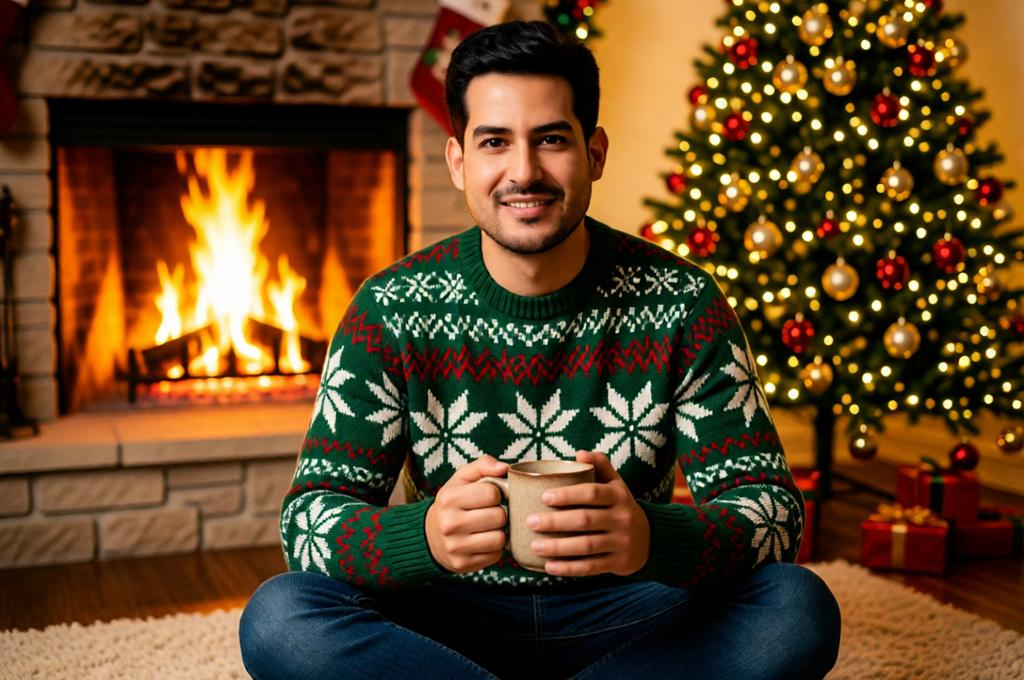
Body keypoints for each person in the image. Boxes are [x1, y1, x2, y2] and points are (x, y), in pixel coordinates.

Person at [240, 19, 841, 680]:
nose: (523, 172)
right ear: (459, 161)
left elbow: (771, 513)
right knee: (279, 617)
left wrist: (651, 537)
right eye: (494, 142)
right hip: (445, 619)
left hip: (632, 612)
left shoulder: (684, 302)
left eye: (551, 139)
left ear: (595, 153)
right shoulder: (390, 308)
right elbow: (309, 520)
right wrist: (424, 538)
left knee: (795, 608)